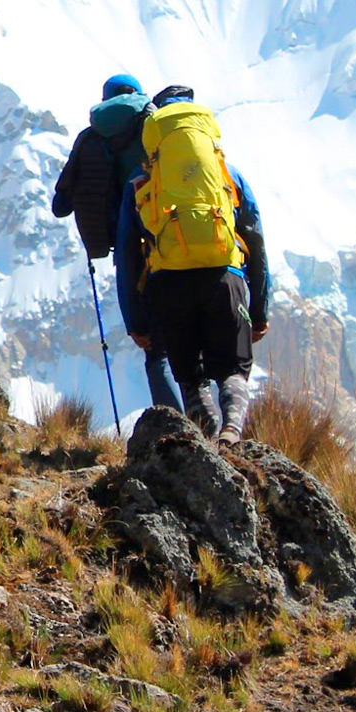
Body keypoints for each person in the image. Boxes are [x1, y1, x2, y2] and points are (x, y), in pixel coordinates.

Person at [113, 85, 269, 441]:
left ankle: (206, 443)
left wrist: (136, 321)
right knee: (233, 369)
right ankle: (231, 432)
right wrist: (259, 309)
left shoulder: (141, 184)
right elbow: (256, 241)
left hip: (169, 284)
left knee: (189, 376)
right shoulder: (229, 177)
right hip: (224, 278)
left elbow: (127, 255)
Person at [51, 73, 183, 411]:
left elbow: (60, 206)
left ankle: (174, 426)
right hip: (173, 236)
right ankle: (207, 427)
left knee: (156, 348)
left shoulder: (90, 138)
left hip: (130, 247)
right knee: (189, 341)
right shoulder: (158, 126)